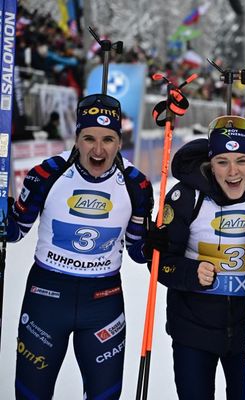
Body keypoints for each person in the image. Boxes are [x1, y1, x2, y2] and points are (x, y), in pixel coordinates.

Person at [8, 93, 155, 399]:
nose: (98, 150)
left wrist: (161, 239)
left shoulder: (136, 185)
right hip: (46, 299)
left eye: (108, 139)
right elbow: (15, 231)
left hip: (103, 303)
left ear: (119, 141)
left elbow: (139, 252)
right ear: (76, 138)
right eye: (89, 138)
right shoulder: (47, 174)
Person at [152, 115, 245, 400]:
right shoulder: (186, 196)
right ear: (211, 163)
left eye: (241, 161)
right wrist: (190, 272)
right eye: (222, 161)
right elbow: (159, 263)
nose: (233, 172)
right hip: (193, 331)